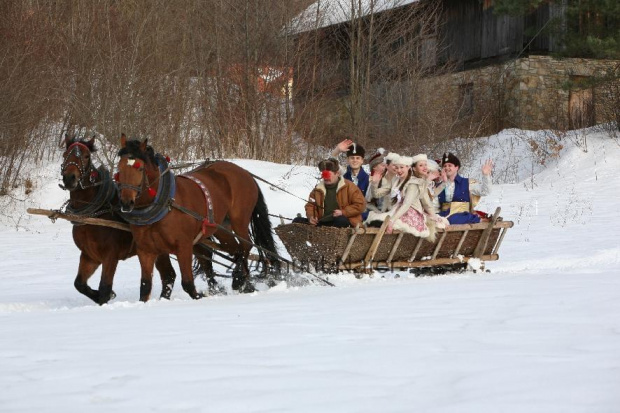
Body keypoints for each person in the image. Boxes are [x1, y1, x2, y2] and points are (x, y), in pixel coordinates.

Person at [365, 154, 443, 241]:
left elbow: (406, 205)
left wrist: (392, 221)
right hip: (395, 211)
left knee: (386, 223)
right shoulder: (395, 181)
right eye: (397, 168)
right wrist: (375, 183)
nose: (399, 170)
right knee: (374, 220)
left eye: (402, 167)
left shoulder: (413, 183)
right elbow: (376, 194)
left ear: (408, 167)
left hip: (409, 213)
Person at [295, 158, 366, 228]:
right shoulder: (317, 189)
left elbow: (360, 205)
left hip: (344, 222)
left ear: (337, 173)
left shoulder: (349, 186)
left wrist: (343, 212)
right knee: (297, 221)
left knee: (341, 220)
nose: (325, 178)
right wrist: (311, 217)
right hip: (322, 222)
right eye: (324, 175)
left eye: (328, 175)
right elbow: (310, 205)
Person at [437, 152, 493, 224]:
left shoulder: (467, 183)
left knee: (454, 218)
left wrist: (486, 175)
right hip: (443, 217)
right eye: (444, 166)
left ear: (457, 167)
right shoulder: (440, 186)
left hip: (462, 218)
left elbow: (485, 191)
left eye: (449, 165)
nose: (447, 168)